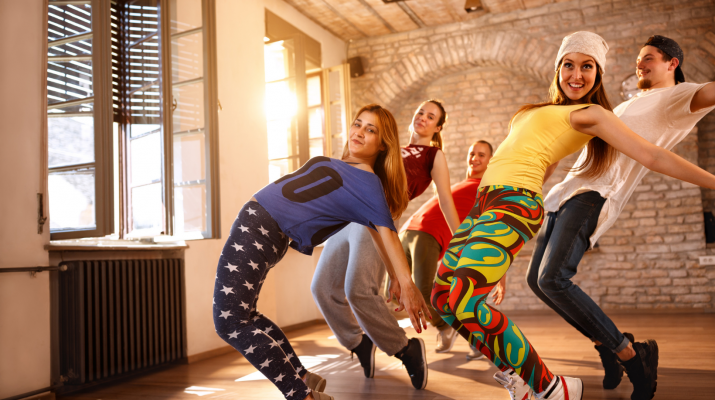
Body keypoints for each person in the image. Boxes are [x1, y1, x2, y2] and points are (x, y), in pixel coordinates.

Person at [430, 31, 715, 400]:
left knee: (539, 282)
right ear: (558, 68)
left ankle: (591, 369)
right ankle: (603, 345)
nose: (576, 74)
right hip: (533, 198)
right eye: (568, 65)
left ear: (598, 74)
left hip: (546, 198)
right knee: (456, 297)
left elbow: (653, 155)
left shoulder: (616, 109)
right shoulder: (571, 110)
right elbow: (545, 161)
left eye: (587, 66)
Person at [526, 34, 715, 400]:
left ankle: (631, 354)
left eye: (648, 58)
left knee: (554, 279)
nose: (639, 64)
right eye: (638, 59)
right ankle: (608, 343)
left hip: (595, 194)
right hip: (563, 195)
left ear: (672, 63)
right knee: (537, 281)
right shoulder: (630, 104)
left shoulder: (680, 96)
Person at [213, 104, 431, 400]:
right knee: (245, 316)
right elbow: (374, 229)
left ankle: (302, 394)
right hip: (263, 228)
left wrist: (406, 283)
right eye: (358, 124)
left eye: (371, 130)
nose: (359, 132)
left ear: (383, 145)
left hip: (260, 227)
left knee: (230, 322)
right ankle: (302, 378)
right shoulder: (351, 170)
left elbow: (387, 232)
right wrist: (393, 275)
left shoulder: (367, 181)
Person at [311, 100, 460, 390]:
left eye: (431, 116)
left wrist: (462, 244)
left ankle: (405, 349)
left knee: (358, 290)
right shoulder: (386, 146)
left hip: (378, 216)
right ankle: (359, 343)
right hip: (348, 215)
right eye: (420, 112)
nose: (423, 117)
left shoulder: (433, 155)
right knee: (322, 288)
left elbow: (445, 200)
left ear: (438, 127)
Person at [395, 140, 505, 360]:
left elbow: (493, 231)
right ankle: (446, 328)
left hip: (428, 234)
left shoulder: (488, 190)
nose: (474, 158)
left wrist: (501, 275)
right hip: (407, 231)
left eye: (481, 155)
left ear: (491, 160)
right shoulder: (462, 184)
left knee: (424, 294)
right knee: (394, 293)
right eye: (472, 153)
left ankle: (471, 336)